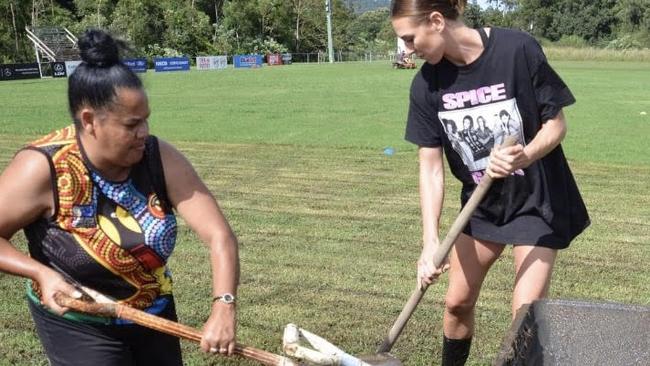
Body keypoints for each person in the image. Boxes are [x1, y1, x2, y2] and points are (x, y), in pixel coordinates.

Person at [0, 29, 239, 365]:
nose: (144, 132)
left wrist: (223, 305)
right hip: (79, 322)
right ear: (89, 121)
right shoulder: (42, 168)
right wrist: (41, 273)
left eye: (146, 121)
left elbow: (219, 235)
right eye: (131, 125)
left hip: (154, 314)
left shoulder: (159, 157)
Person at [390, 1, 590, 365]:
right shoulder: (425, 86)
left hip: (537, 200)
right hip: (482, 205)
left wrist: (524, 156)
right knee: (455, 304)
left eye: (409, 38)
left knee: (524, 316)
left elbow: (557, 124)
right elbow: (430, 167)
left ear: (436, 21)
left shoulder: (517, 49)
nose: (407, 49)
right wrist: (430, 242)